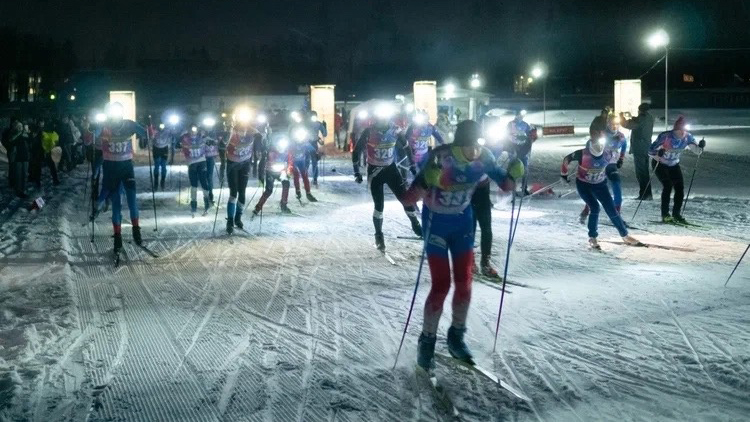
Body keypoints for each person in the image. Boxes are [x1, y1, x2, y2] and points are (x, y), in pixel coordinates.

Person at [400, 120, 524, 370]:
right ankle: (427, 342)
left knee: (465, 283)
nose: (476, 152)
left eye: (479, 146)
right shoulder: (440, 157)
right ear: (460, 144)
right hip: (436, 225)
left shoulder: (484, 157)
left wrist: (515, 173)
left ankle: (456, 337)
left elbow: (506, 185)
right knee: (441, 285)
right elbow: (408, 199)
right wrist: (426, 182)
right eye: (472, 146)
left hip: (463, 224)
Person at [352, 107, 422, 251]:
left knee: (405, 199)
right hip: (375, 172)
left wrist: (412, 165)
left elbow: (407, 147)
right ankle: (379, 236)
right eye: (380, 119)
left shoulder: (395, 130)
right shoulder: (368, 132)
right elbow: (357, 151)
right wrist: (356, 172)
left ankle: (416, 224)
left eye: (385, 118)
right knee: (379, 206)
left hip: (391, 170)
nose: (383, 121)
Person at [561, 128, 641, 249]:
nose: (599, 149)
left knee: (611, 209)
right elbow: (566, 159)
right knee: (595, 207)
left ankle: (625, 235)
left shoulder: (608, 153)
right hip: (584, 185)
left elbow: (617, 153)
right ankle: (592, 237)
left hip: (600, 185)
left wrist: (619, 160)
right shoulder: (583, 154)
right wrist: (564, 174)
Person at [91, 102, 147, 252]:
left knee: (132, 201)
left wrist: (148, 129)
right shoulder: (105, 126)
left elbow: (145, 133)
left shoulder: (129, 125)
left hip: (126, 167)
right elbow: (89, 139)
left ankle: (136, 231)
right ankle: (117, 238)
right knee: (117, 205)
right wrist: (90, 130)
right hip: (111, 168)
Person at [648, 116, 705, 224]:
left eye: (684, 130)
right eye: (680, 131)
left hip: (674, 164)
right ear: (675, 129)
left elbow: (697, 152)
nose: (682, 133)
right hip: (660, 163)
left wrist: (701, 147)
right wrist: (658, 154)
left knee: (679, 188)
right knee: (668, 185)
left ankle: (676, 214)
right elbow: (650, 150)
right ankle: (665, 214)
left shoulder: (688, 137)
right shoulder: (665, 136)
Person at [579, 114, 628, 223]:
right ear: (608, 124)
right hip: (600, 166)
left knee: (616, 183)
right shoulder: (602, 134)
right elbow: (589, 144)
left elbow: (624, 145)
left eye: (617, 124)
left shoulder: (621, 136)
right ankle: (586, 210)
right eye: (612, 124)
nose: (615, 127)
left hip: (611, 165)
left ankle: (617, 213)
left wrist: (621, 158)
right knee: (595, 189)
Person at [225, 119, 262, 234]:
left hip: (245, 164)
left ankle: (238, 218)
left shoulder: (251, 131)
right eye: (242, 130)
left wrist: (260, 146)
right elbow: (224, 142)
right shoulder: (233, 132)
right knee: (233, 192)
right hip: (232, 164)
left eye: (245, 129)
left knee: (242, 192)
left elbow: (259, 135)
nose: (244, 132)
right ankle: (230, 220)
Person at [253, 133, 293, 216]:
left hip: (281, 172)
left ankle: (283, 204)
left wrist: (288, 171)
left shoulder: (287, 152)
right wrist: (261, 176)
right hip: (270, 172)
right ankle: (258, 207)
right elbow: (262, 163)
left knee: (286, 184)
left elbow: (290, 162)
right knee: (269, 190)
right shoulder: (269, 151)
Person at [621, 103, 655, 200]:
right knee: (645, 171)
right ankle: (647, 194)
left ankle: (644, 194)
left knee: (641, 172)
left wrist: (621, 118)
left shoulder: (641, 118)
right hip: (646, 146)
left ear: (640, 110)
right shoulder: (649, 117)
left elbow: (627, 124)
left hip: (639, 147)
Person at [178, 127, 211, 216]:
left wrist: (209, 140)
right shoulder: (185, 138)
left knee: (204, 182)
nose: (193, 132)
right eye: (191, 131)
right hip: (191, 163)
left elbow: (210, 142)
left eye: (194, 130)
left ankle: (207, 204)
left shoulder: (201, 137)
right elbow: (178, 142)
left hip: (201, 162)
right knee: (194, 185)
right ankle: (193, 206)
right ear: (188, 131)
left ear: (197, 131)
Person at [504, 109, 537, 195]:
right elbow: (506, 136)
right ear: (516, 115)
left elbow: (530, 136)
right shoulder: (510, 124)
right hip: (513, 147)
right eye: (520, 115)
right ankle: (511, 188)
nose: (521, 117)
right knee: (513, 169)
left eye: (523, 115)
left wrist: (532, 134)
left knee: (525, 169)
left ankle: (524, 188)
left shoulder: (525, 124)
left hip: (523, 148)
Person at [288, 117, 318, 203]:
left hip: (301, 160)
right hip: (293, 160)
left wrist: (316, 154)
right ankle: (298, 191)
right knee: (296, 174)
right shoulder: (292, 138)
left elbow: (311, 149)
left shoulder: (304, 140)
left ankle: (308, 193)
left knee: (305, 174)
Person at [307, 110, 327, 187]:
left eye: (314, 116)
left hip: (314, 144)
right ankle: (305, 178)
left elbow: (325, 134)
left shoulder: (318, 124)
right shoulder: (305, 124)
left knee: (315, 162)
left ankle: (315, 179)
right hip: (306, 143)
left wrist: (325, 127)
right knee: (306, 162)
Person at [39, 120, 61, 186]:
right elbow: (56, 141)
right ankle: (55, 179)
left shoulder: (44, 133)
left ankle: (55, 179)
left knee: (52, 166)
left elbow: (44, 144)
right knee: (52, 166)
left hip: (48, 152)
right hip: (51, 151)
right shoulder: (54, 134)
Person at [151, 124, 172, 191]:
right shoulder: (154, 131)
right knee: (156, 165)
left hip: (164, 149)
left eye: (163, 126)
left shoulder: (168, 131)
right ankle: (156, 183)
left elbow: (175, 134)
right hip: (156, 148)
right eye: (160, 125)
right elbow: (151, 137)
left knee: (164, 165)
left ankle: (163, 181)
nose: (161, 127)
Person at [203, 128, 219, 204]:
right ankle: (206, 194)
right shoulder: (199, 138)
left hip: (210, 159)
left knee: (209, 177)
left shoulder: (213, 139)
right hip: (201, 160)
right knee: (203, 177)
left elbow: (215, 149)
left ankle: (210, 194)